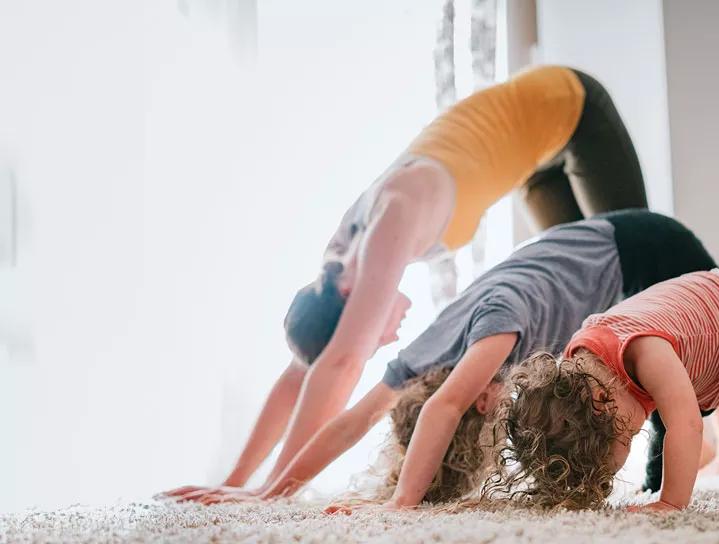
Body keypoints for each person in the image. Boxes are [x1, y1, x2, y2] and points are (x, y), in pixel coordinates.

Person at [166, 211, 719, 508]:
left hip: (637, 248)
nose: (494, 411)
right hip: (608, 278)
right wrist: (269, 494)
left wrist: (396, 511)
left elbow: (448, 406)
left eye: (479, 410)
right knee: (658, 385)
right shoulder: (425, 357)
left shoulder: (493, 330)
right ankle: (696, 444)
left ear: (473, 393)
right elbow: (356, 418)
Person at [161, 65, 647, 501]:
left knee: (645, 284)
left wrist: (274, 489)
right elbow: (304, 371)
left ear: (353, 301)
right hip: (532, 158)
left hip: (570, 108)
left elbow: (343, 361)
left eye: (373, 332)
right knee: (595, 300)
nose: (390, 338)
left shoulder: (389, 219)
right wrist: (237, 479)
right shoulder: (337, 266)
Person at [492, 270, 719, 511]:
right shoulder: (585, 365)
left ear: (602, 400)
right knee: (664, 421)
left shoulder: (643, 351)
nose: (635, 432)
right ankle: (653, 484)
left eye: (628, 436)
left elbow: (688, 426)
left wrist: (670, 502)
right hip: (702, 334)